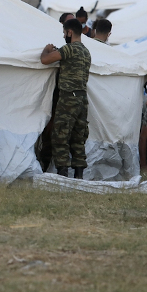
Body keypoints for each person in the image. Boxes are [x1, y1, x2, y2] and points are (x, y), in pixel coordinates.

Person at [40, 18, 91, 178]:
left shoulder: (69, 49)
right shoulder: (86, 52)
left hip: (68, 98)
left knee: (60, 135)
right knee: (78, 137)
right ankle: (79, 174)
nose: (64, 36)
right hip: (82, 99)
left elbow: (45, 60)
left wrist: (46, 49)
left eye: (64, 33)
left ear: (70, 32)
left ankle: (63, 172)